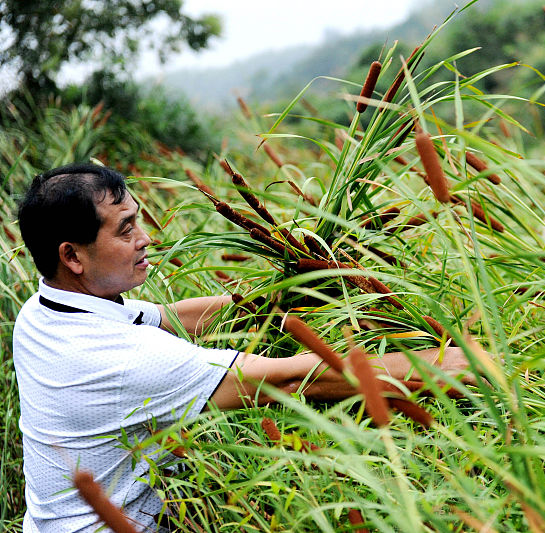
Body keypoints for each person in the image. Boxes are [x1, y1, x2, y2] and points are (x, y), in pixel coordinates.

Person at [13, 163, 473, 532]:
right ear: (72, 256)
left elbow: (171, 317)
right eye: (126, 228)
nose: (145, 238)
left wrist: (289, 289)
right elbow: (295, 377)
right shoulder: (129, 360)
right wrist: (446, 363)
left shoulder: (40, 313)